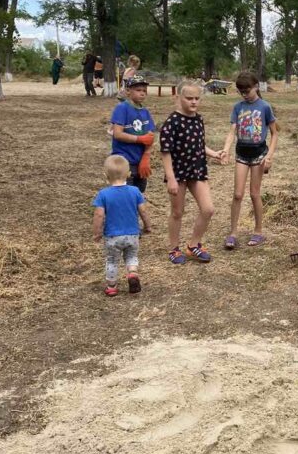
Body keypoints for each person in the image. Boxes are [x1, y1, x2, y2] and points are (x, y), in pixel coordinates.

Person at [159, 81, 224, 265]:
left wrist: (215, 154)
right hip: (178, 173)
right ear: (179, 98)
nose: (194, 102)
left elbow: (199, 144)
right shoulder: (171, 122)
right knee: (177, 212)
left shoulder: (199, 119)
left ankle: (193, 245)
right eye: (189, 98)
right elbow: (165, 151)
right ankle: (173, 248)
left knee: (208, 209)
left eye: (197, 98)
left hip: (197, 170)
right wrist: (171, 178)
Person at [222, 71, 278, 248]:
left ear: (256, 87)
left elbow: (275, 134)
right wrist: (226, 149)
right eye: (241, 92)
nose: (244, 94)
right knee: (237, 194)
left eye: (247, 90)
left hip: (259, 154)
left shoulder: (265, 107)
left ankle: (258, 231)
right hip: (242, 154)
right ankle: (232, 233)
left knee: (254, 194)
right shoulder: (238, 107)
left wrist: (269, 156)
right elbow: (232, 131)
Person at [92, 154, 151, 297]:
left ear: (105, 175)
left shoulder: (103, 194)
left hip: (112, 236)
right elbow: (143, 210)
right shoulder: (135, 191)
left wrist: (97, 232)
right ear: (129, 174)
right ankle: (132, 273)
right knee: (131, 256)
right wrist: (147, 225)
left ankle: (112, 287)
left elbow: (99, 215)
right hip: (132, 234)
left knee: (112, 260)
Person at [109, 74, 156, 193]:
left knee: (139, 193)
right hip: (124, 160)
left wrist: (146, 157)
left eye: (144, 91)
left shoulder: (145, 111)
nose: (142, 93)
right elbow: (118, 134)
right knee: (124, 194)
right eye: (138, 90)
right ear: (128, 91)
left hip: (139, 160)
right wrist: (139, 139)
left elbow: (150, 136)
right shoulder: (122, 108)